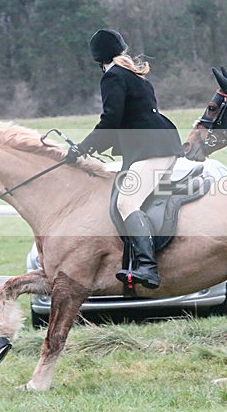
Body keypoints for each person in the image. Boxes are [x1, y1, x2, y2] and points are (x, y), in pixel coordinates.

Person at [67, 28, 183, 289]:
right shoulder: (133, 75)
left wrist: (82, 148)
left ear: (98, 59)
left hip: (151, 150)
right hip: (158, 144)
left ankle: (147, 267)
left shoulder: (113, 77)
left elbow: (111, 120)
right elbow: (127, 120)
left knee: (127, 202)